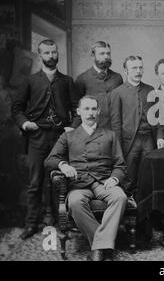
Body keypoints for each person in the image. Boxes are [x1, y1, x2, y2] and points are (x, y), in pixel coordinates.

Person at [45, 96, 127, 261]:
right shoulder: (68, 136)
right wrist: (63, 165)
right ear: (79, 111)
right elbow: (49, 160)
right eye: (86, 109)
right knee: (75, 202)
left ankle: (98, 247)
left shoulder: (109, 135)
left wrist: (114, 179)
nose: (90, 113)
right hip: (79, 184)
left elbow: (121, 165)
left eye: (93, 109)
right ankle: (104, 245)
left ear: (98, 111)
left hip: (104, 182)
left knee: (120, 197)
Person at [11, 39, 79, 239]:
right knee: (35, 182)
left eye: (54, 52)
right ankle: (31, 223)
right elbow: (16, 109)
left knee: (62, 181)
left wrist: (72, 127)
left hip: (60, 137)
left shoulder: (67, 81)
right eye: (47, 53)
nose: (51, 56)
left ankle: (62, 221)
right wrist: (25, 123)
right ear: (39, 55)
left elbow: (77, 109)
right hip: (37, 137)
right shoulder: (30, 81)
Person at [110, 55, 155, 194]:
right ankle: (130, 210)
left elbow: (157, 119)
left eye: (140, 67)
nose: (138, 71)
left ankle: (146, 211)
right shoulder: (117, 92)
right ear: (126, 71)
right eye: (134, 68)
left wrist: (159, 137)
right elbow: (116, 123)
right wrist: (118, 147)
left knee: (148, 176)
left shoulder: (150, 89)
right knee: (128, 178)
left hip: (148, 139)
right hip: (129, 141)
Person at [75, 41, 123, 129]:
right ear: (93, 55)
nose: (106, 56)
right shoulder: (82, 79)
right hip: (93, 130)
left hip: (115, 129)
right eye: (102, 53)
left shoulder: (117, 78)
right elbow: (77, 107)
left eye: (108, 53)